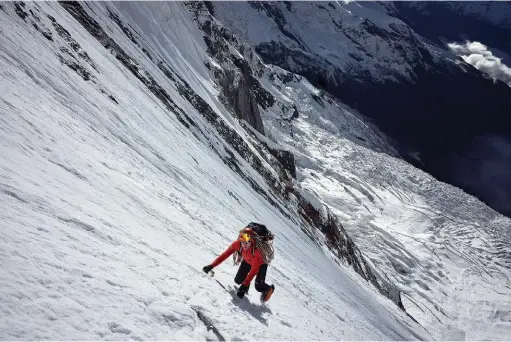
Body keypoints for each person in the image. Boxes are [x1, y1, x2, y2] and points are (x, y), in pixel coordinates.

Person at [203, 226, 275, 302]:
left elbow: (253, 271)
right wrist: (211, 266)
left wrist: (244, 286)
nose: (244, 245)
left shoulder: (257, 253)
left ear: (252, 241)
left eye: (246, 243)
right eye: (242, 242)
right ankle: (246, 286)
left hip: (261, 264)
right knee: (238, 280)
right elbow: (224, 255)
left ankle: (269, 289)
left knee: (258, 286)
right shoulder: (237, 244)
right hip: (247, 260)